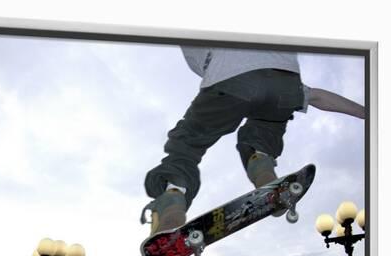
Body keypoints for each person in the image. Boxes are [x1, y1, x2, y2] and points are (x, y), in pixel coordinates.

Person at [141, 46, 366, 236]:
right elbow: (318, 96)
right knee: (266, 128)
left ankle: (173, 196)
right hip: (284, 80)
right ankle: (261, 163)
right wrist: (366, 112)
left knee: (187, 144)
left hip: (229, 77)